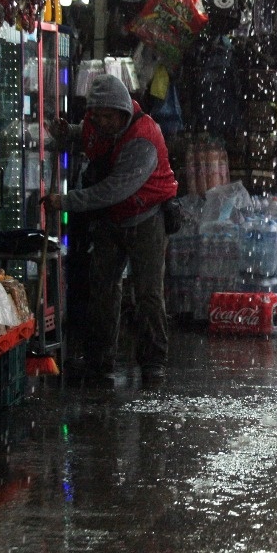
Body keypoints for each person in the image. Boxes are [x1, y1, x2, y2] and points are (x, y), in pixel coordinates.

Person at [43, 74, 178, 388]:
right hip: (111, 219)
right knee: (103, 289)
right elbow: (86, 136)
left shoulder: (144, 138)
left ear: (122, 113)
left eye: (107, 116)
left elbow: (112, 190)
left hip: (146, 217)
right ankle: (100, 361)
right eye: (96, 115)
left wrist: (65, 201)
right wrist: (69, 134)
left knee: (147, 293)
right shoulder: (96, 123)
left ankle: (153, 362)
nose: (101, 122)